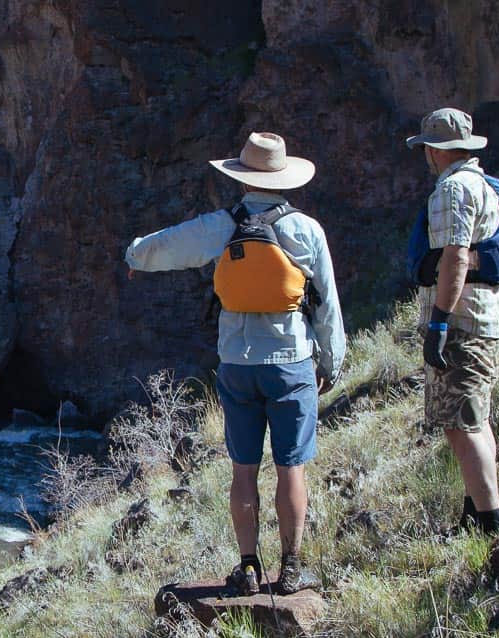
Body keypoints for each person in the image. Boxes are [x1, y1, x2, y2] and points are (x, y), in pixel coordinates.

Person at [124, 132, 345, 595]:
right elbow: (327, 306)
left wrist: (135, 254)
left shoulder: (221, 225)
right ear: (284, 178)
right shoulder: (307, 231)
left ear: (241, 178)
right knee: (291, 467)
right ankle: (291, 569)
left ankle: (247, 568)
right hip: (290, 362)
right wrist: (332, 360)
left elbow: (168, 245)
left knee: (243, 469)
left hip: (237, 364)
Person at [405, 108, 499, 536]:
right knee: (472, 419)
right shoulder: (485, 184)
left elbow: (455, 256)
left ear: (436, 150)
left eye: (427, 148)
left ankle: (491, 526)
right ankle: (476, 510)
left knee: (464, 424)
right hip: (484, 317)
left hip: (463, 321)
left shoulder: (453, 189)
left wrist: (439, 321)